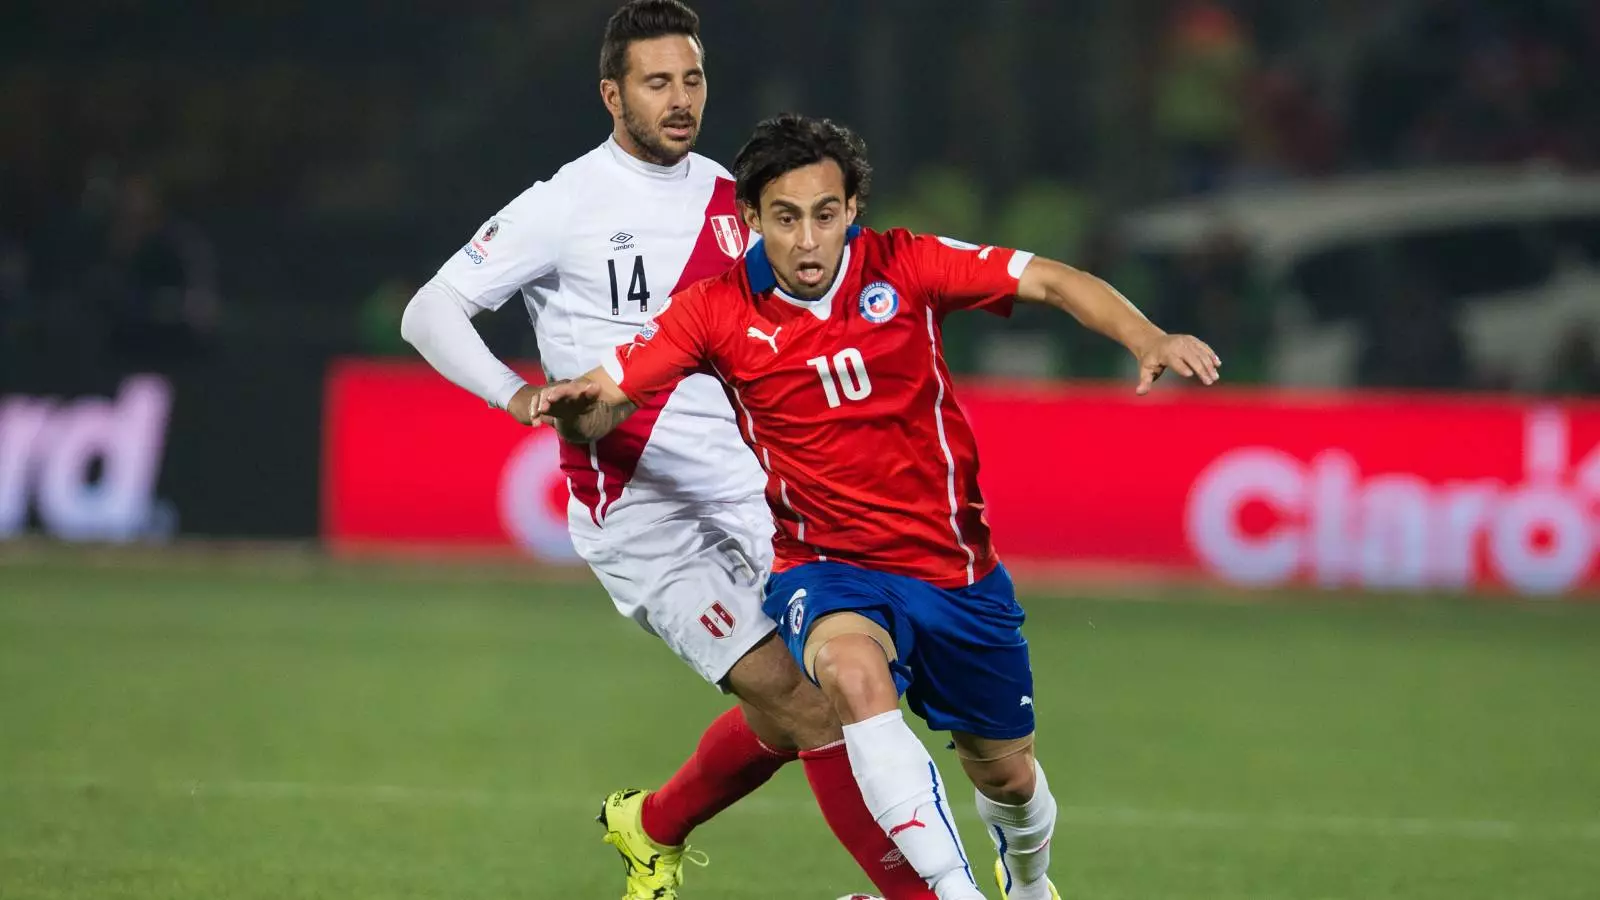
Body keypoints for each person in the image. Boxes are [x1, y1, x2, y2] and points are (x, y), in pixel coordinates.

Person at [534, 114, 1221, 900]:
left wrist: (1146, 337)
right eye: (784, 218)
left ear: (852, 208)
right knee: (850, 682)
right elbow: (610, 396)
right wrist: (574, 408)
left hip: (957, 573)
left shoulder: (911, 265)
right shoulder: (713, 310)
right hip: (827, 568)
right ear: (750, 219)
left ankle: (1029, 884)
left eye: (824, 214)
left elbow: (1053, 280)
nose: (806, 240)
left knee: (1010, 779)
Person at [400, 5, 930, 899]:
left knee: (854, 676)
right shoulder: (564, 204)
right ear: (613, 95)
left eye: (691, 80)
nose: (680, 101)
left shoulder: (732, 198)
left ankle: (650, 827)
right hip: (641, 513)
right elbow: (429, 311)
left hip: (754, 492)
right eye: (657, 83)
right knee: (809, 706)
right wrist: (522, 395)